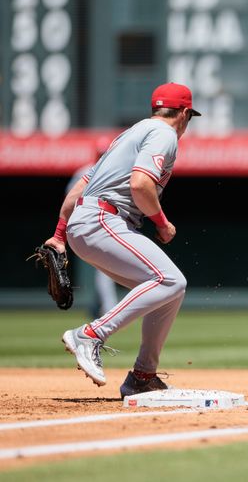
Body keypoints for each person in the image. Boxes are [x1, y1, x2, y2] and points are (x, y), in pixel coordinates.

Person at [43, 82, 199, 398]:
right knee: (170, 280)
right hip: (103, 219)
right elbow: (141, 184)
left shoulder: (129, 134)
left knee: (169, 289)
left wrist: (59, 236)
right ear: (183, 113)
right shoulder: (164, 134)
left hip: (85, 222)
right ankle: (90, 334)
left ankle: (142, 376)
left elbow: (81, 187)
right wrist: (162, 223)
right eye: (189, 117)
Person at [66, 137, 119, 320]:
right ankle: (109, 308)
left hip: (108, 224)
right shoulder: (85, 172)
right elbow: (69, 198)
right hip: (87, 226)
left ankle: (101, 306)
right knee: (105, 269)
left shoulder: (114, 171)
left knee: (105, 269)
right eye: (101, 153)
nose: (103, 156)